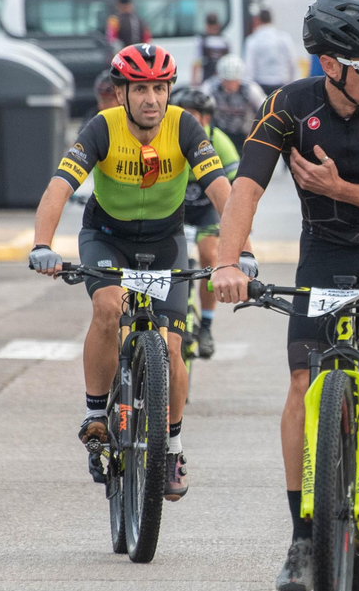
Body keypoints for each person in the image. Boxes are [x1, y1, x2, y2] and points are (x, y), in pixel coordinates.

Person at [211, 0, 359, 591]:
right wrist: (228, 261)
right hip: (327, 254)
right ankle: (303, 539)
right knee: (299, 384)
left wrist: (341, 188)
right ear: (331, 65)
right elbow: (246, 187)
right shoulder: (289, 105)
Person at [27, 44, 231, 499]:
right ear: (121, 93)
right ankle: (96, 415)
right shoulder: (103, 127)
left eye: (159, 88)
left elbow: (223, 191)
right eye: (140, 89)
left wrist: (239, 254)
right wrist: (42, 244)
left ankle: (172, 448)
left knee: (174, 347)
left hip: (165, 243)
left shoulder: (185, 126)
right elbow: (59, 187)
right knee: (108, 307)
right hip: (106, 238)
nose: (151, 99)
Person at [169, 87, 242, 359]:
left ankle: (207, 327)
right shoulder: (166, 137)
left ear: (206, 119)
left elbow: (237, 188)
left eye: (191, 115)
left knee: (210, 256)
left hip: (206, 209)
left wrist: (239, 225)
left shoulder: (218, 142)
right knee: (173, 260)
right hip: (176, 209)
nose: (185, 120)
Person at [199, 55, 265, 152]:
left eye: (234, 81)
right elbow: (199, 107)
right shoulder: (210, 87)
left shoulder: (251, 89)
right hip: (220, 133)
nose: (230, 85)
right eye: (227, 81)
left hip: (245, 135)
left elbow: (264, 109)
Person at [243, 8, 297, 92]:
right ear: (272, 19)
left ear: (258, 20)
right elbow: (292, 62)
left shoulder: (252, 40)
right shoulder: (284, 38)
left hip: (261, 86)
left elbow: (249, 66)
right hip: (281, 84)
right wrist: (291, 83)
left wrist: (249, 88)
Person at [195, 12, 231, 83]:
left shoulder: (224, 41)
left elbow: (228, 61)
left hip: (222, 79)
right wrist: (195, 80)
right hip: (207, 79)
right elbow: (197, 62)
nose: (212, 29)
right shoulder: (202, 41)